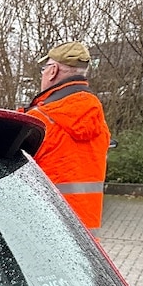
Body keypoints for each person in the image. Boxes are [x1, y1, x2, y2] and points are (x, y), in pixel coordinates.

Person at [21, 41, 111, 230]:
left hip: (44, 230)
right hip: (85, 236)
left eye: (44, 69)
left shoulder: (40, 121)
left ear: (53, 71)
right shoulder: (99, 123)